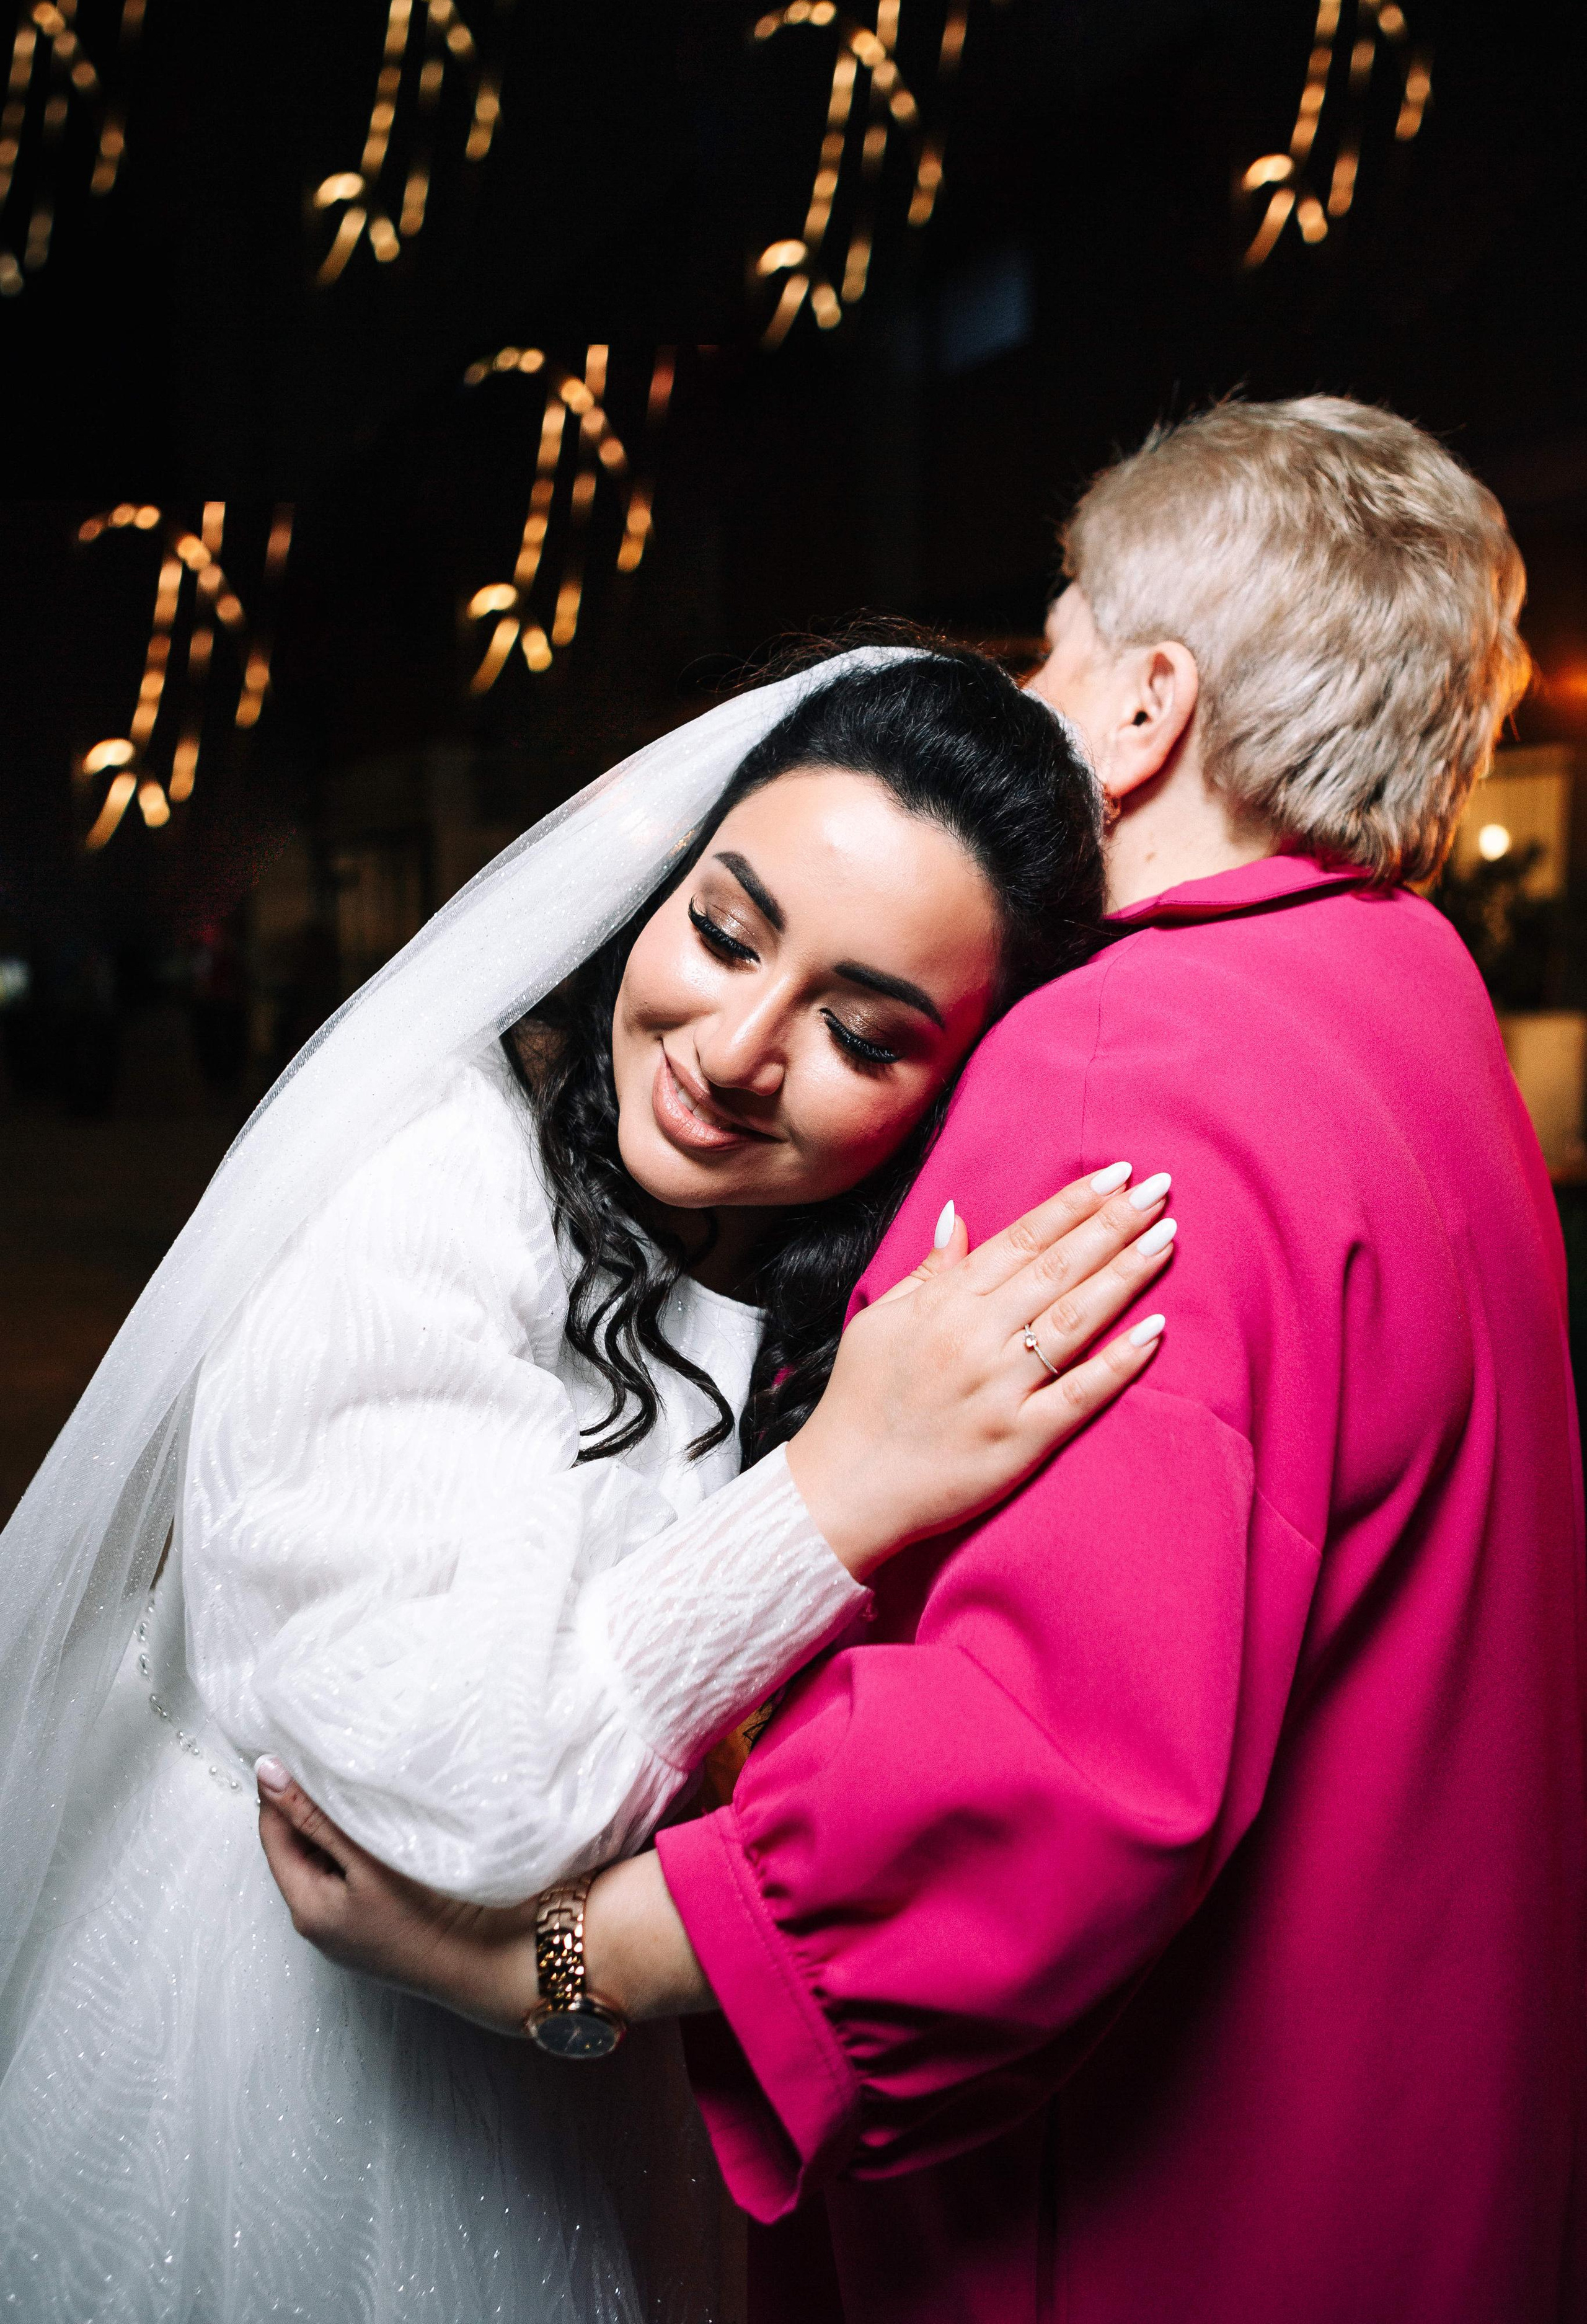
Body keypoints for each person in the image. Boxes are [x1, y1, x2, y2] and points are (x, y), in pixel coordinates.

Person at [263, 399, 1586, 2324]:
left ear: (1139, 711)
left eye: (1045, 644)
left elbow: (1050, 1769)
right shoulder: (1416, 1010)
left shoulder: (1139, 1057)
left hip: (1159, 2221)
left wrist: (545, 1968)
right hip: (1410, 2154)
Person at [0, 642, 1180, 2324]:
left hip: (573, 2120)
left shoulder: (798, 1277)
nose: (736, 1048)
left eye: (861, 1029)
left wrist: (560, 1986)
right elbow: (464, 1798)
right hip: (269, 2080)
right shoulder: (426, 1185)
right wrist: (832, 1493)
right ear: (655, 882)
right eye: (723, 929)